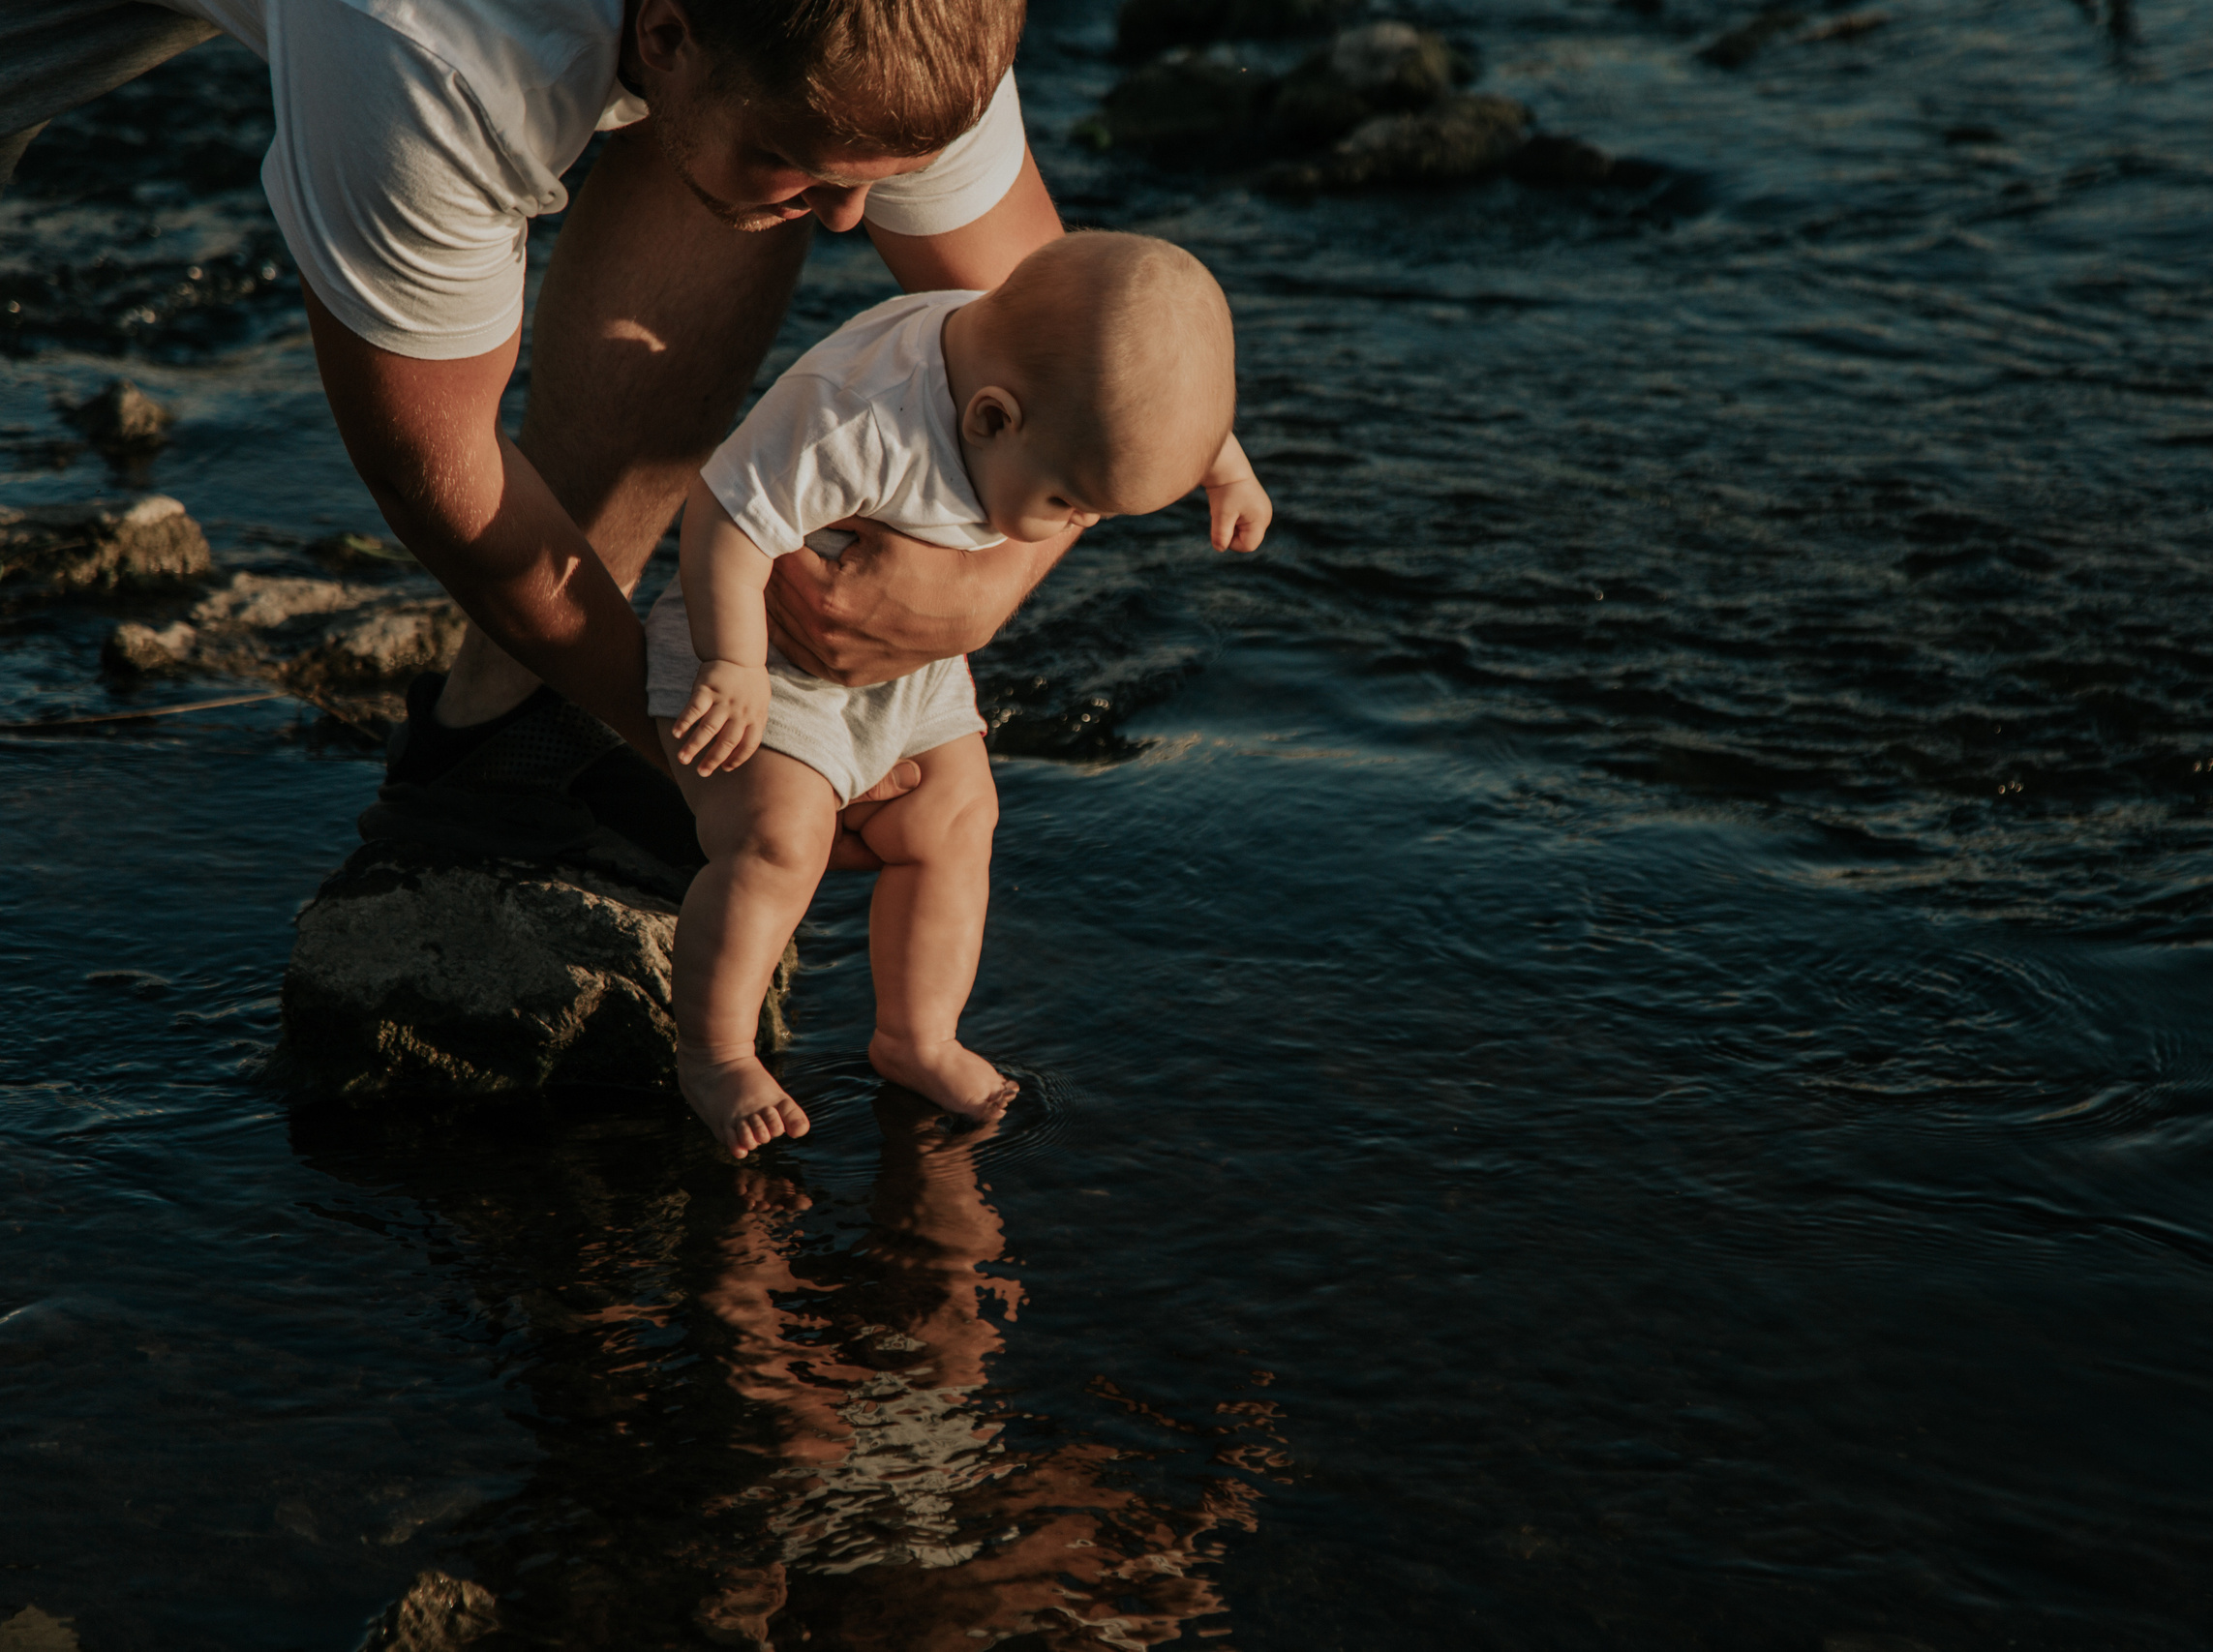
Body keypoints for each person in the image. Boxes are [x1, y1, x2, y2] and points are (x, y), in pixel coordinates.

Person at [0, 0, 1170, 878]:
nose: (854, 221)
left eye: (880, 179)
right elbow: (434, 467)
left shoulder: (894, 19)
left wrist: (985, 588)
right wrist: (706, 746)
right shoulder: (432, 50)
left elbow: (1063, 361)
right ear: (661, 32)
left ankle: (510, 729)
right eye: (821, 173)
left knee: (740, 163)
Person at [654, 231, 1270, 1154]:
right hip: (761, 642)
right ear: (989, 421)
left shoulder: (1041, 384)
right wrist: (733, 664)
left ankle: (914, 1035)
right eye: (1068, 505)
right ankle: (716, 1053)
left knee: (958, 818)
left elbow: (1169, 402)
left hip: (909, 661)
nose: (1080, 525)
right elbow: (725, 517)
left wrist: (1227, 468)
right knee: (781, 841)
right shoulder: (859, 417)